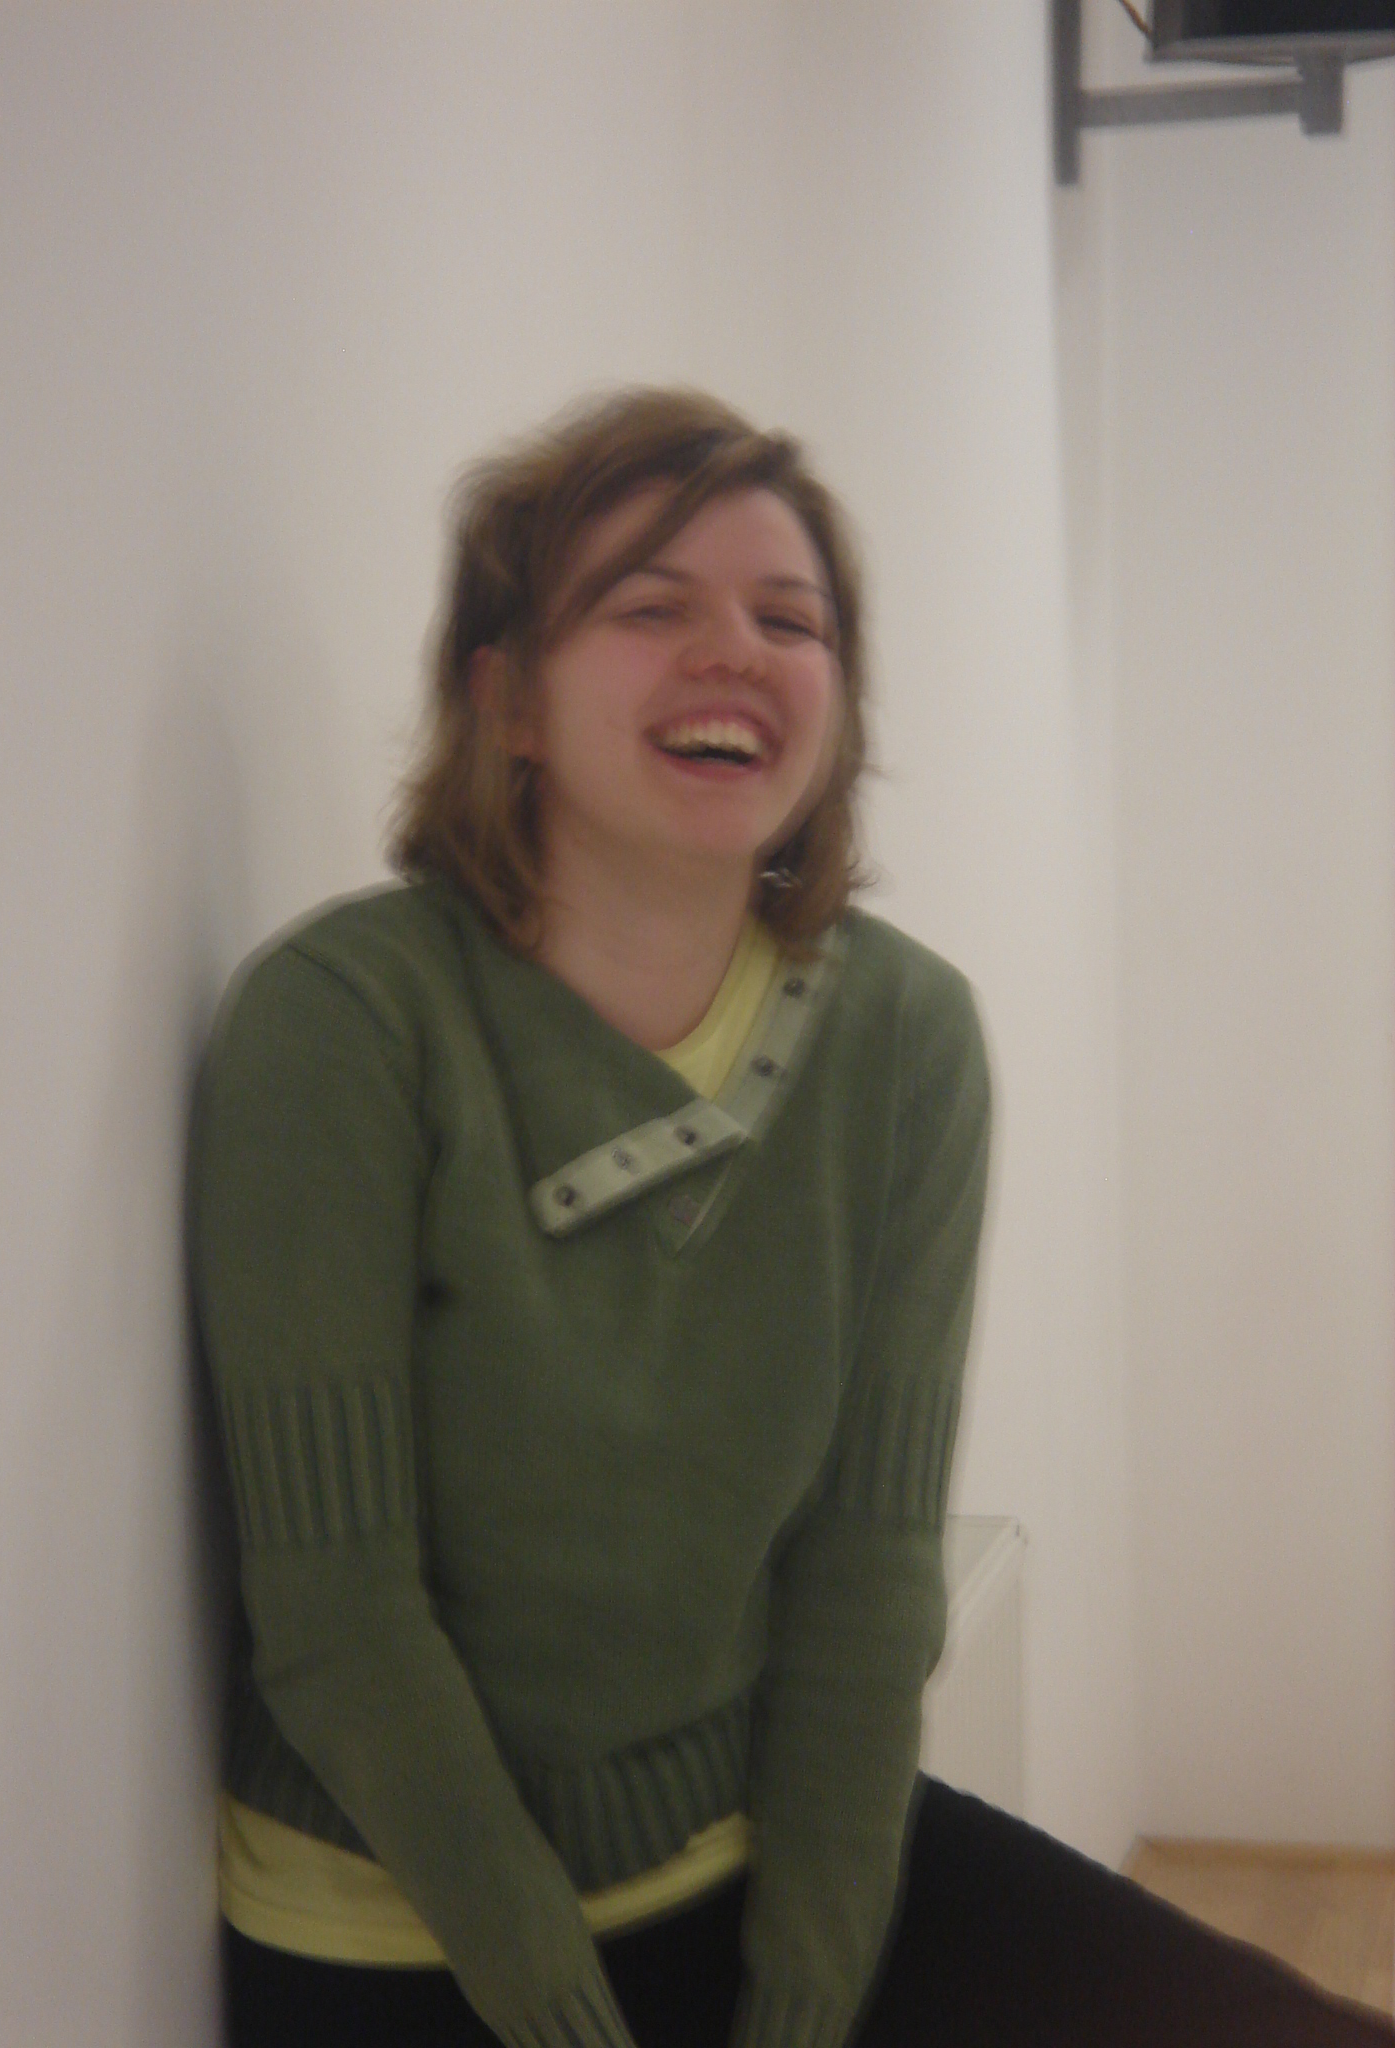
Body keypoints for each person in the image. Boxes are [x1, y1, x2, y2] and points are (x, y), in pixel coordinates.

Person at [191, 388, 1393, 2048]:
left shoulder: (904, 1036)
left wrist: (808, 1998)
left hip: (761, 1859)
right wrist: (563, 2010)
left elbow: (867, 1573)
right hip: (408, 1926)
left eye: (791, 620)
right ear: (505, 696)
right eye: (649, 607)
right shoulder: (346, 1025)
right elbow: (339, 1624)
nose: (733, 655)